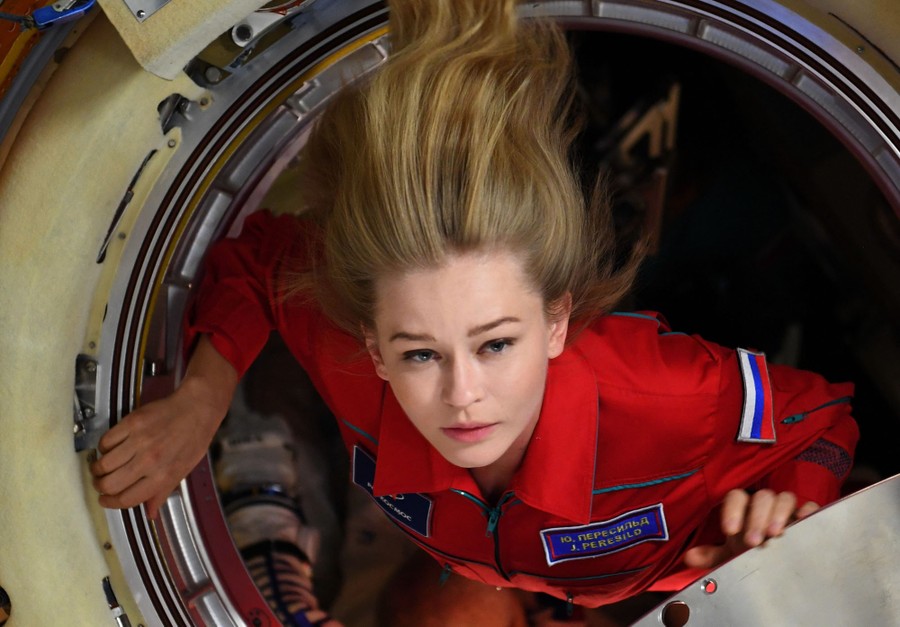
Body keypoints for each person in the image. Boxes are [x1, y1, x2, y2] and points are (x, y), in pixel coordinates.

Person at [89, 0, 859, 623]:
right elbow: (258, 259)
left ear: (558, 320)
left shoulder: (666, 396)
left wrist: (782, 521)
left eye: (496, 344)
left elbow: (825, 421)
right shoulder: (347, 347)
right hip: (503, 572)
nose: (462, 396)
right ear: (374, 343)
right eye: (420, 352)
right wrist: (204, 395)